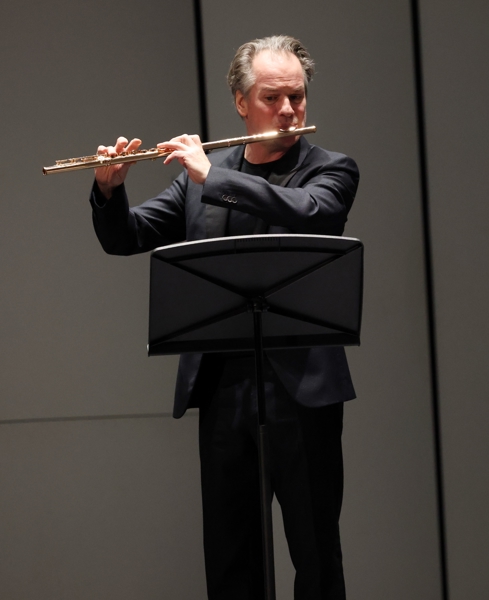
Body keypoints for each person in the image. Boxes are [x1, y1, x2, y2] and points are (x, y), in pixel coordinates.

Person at [89, 35, 358, 600]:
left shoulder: (329, 170)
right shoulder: (200, 176)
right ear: (240, 101)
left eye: (297, 97)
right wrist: (109, 190)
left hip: (302, 392)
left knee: (316, 555)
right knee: (232, 560)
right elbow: (127, 237)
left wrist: (213, 178)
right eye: (271, 98)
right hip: (222, 389)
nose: (288, 111)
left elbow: (311, 211)